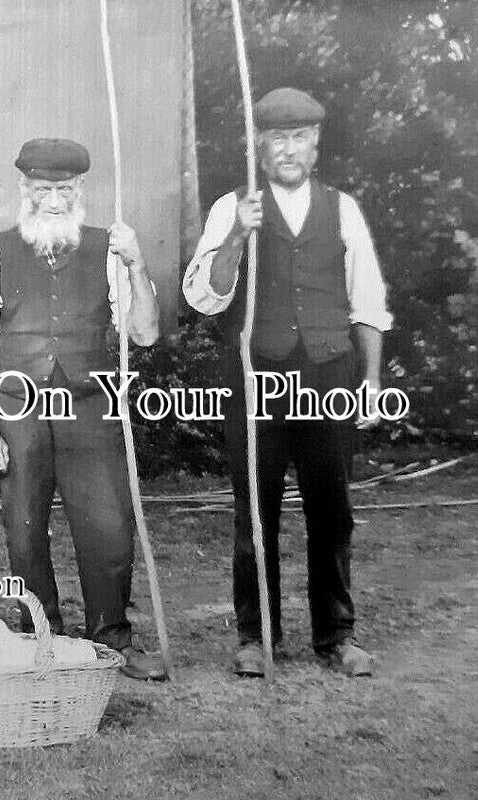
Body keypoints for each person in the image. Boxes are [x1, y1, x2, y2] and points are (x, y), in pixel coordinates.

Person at [183, 87, 391, 677]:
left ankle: (338, 636)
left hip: (328, 375)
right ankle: (256, 637)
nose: (289, 149)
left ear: (316, 143)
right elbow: (204, 296)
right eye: (278, 138)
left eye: (300, 137)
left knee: (333, 508)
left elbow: (368, 303)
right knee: (256, 509)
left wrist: (371, 382)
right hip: (256, 377)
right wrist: (237, 239)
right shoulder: (235, 208)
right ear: (260, 145)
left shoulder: (342, 208)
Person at [0, 137, 166, 681]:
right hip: (17, 404)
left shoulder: (108, 248)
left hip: (91, 404)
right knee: (24, 529)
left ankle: (112, 638)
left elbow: (143, 332)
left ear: (80, 191)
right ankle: (40, 636)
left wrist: (137, 262)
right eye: (43, 189)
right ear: (25, 191)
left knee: (107, 524)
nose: (54, 200)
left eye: (65, 189)